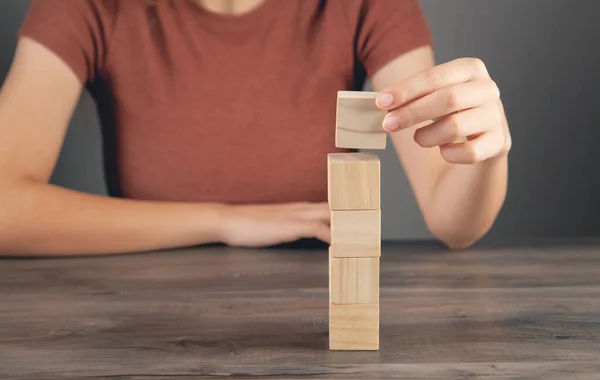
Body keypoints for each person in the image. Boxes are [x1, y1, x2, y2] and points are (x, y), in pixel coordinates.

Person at [0, 0, 511, 256]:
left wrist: (484, 150)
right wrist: (223, 220)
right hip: (140, 325)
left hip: (312, 316)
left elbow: (453, 222)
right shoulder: (87, 7)